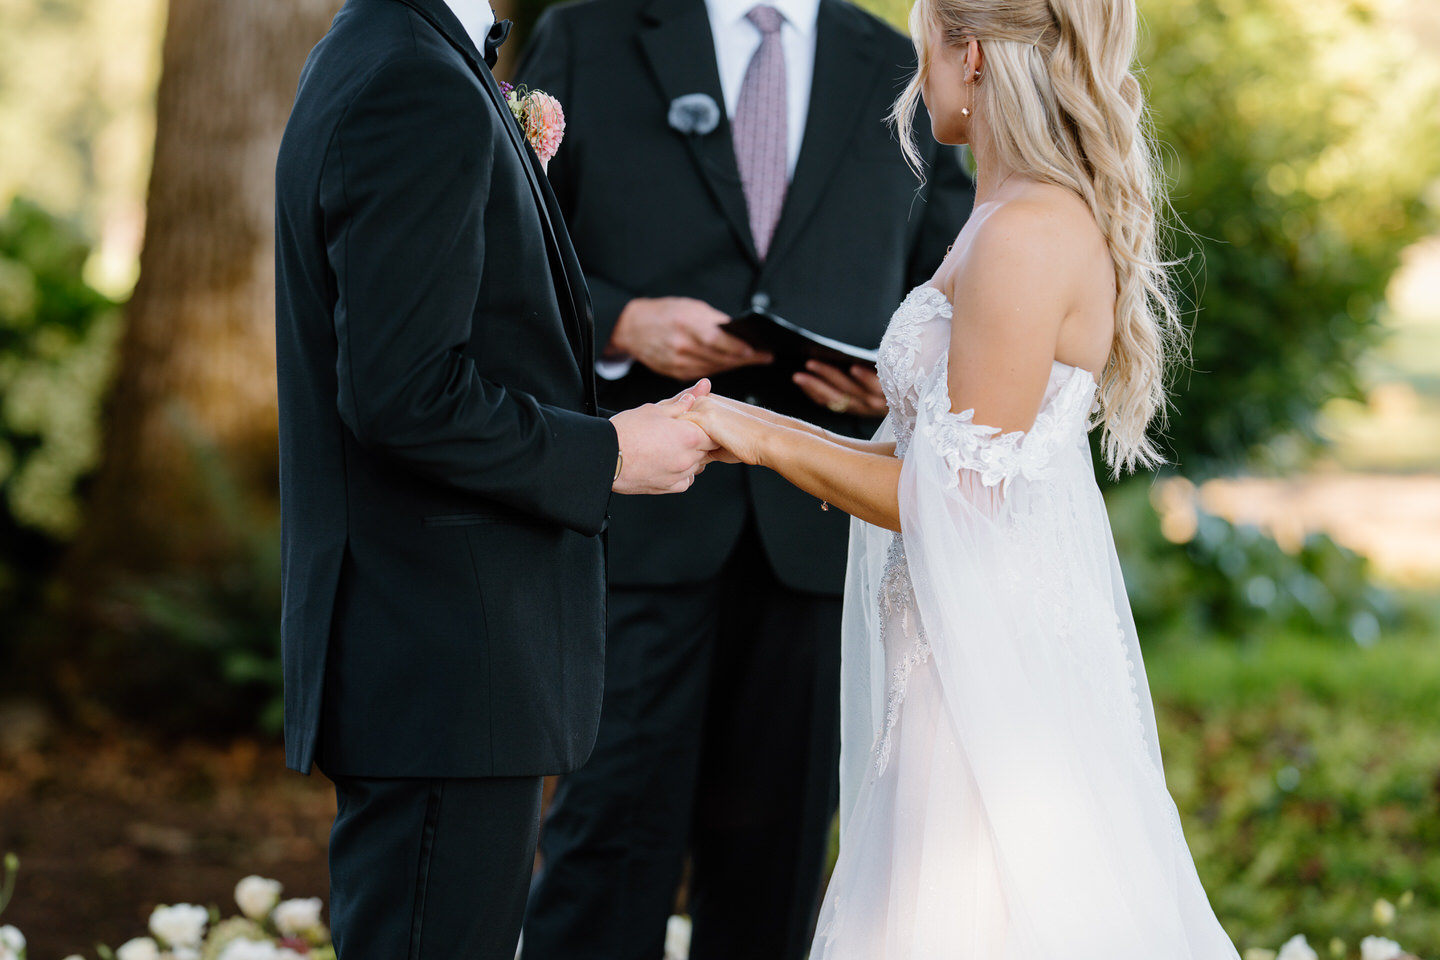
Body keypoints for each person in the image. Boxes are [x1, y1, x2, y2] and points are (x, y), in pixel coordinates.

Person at [681, 0, 1244, 954]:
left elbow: (946, 504)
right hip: (948, 645)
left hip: (982, 667)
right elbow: (929, 469)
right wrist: (751, 428)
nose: (917, 81)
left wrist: (751, 431)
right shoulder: (998, 214)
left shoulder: (1024, 233)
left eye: (924, 53)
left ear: (972, 56)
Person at [513, 2, 972, 958]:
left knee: (780, 870)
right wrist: (619, 321)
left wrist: (893, 374)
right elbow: (511, 241)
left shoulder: (898, 61)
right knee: (604, 850)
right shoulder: (589, 34)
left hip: (819, 531)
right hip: (636, 520)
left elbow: (954, 267)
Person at [272, 0, 717, 956]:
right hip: (443, 660)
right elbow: (403, 394)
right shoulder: (410, 78)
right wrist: (608, 455)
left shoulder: (388, 52)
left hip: (441, 662)